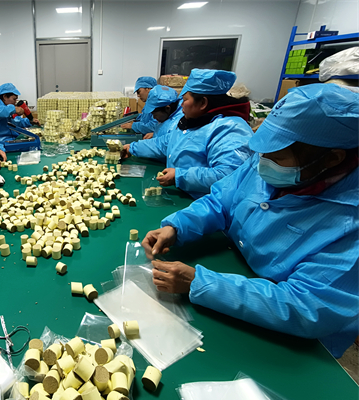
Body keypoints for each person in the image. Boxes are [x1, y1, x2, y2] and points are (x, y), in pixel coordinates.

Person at [141, 84, 359, 358]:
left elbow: (306, 306)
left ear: (332, 158)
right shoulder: (270, 163)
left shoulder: (350, 222)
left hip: (294, 349)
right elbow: (222, 199)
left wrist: (201, 282)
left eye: (276, 157)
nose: (261, 163)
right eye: (262, 153)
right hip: (241, 269)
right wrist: (177, 226)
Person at [122, 69, 253, 199]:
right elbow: (165, 143)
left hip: (206, 203)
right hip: (183, 194)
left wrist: (180, 176)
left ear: (202, 103)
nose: (181, 105)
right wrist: (132, 148)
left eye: (185, 100)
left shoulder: (230, 130)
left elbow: (228, 176)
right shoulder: (193, 122)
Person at [122, 85, 181, 158]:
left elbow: (163, 146)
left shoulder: (177, 123)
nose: (154, 117)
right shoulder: (168, 117)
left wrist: (133, 148)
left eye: (154, 114)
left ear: (167, 108)